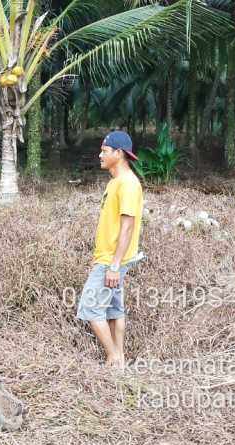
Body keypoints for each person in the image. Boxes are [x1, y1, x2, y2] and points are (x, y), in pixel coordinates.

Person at [76, 130, 145, 371]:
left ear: (119, 153)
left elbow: (127, 228)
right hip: (108, 260)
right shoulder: (115, 182)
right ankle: (121, 361)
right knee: (115, 310)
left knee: (91, 308)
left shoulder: (128, 184)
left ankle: (114, 358)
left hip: (112, 262)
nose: (100, 155)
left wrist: (113, 265)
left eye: (105, 151)